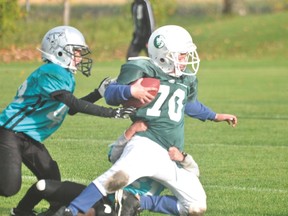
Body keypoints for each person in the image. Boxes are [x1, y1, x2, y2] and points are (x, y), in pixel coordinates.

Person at [52, 25, 238, 216]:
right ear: (164, 55)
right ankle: (71, 211)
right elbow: (111, 93)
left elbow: (189, 105)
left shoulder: (185, 79)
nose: (185, 60)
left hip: (171, 154)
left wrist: (214, 116)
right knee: (113, 179)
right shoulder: (143, 69)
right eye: (181, 55)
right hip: (147, 144)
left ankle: (140, 202)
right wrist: (130, 91)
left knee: (196, 205)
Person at [0, 25, 135, 216]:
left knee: (51, 180)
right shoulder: (51, 71)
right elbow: (73, 103)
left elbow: (69, 109)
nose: (79, 56)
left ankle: (22, 211)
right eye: (76, 51)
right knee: (8, 188)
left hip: (28, 137)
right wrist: (112, 113)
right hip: (9, 132)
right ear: (59, 50)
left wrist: (97, 93)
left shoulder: (64, 75)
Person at [17, 120, 198, 216]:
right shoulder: (139, 148)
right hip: (100, 194)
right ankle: (20, 212)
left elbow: (193, 178)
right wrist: (129, 132)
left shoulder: (171, 161)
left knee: (102, 212)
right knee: (43, 186)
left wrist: (183, 158)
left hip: (124, 207)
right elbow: (113, 155)